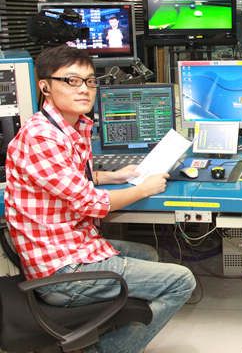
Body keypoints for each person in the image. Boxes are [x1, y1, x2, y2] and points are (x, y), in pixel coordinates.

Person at [4, 45, 196, 353]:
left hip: (74, 246)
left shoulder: (70, 126)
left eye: (90, 81)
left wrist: (113, 176)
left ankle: (114, 330)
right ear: (45, 87)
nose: (84, 89)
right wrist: (143, 189)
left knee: (148, 254)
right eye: (71, 81)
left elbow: (65, 178)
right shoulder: (41, 138)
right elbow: (90, 203)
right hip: (62, 271)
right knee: (182, 280)